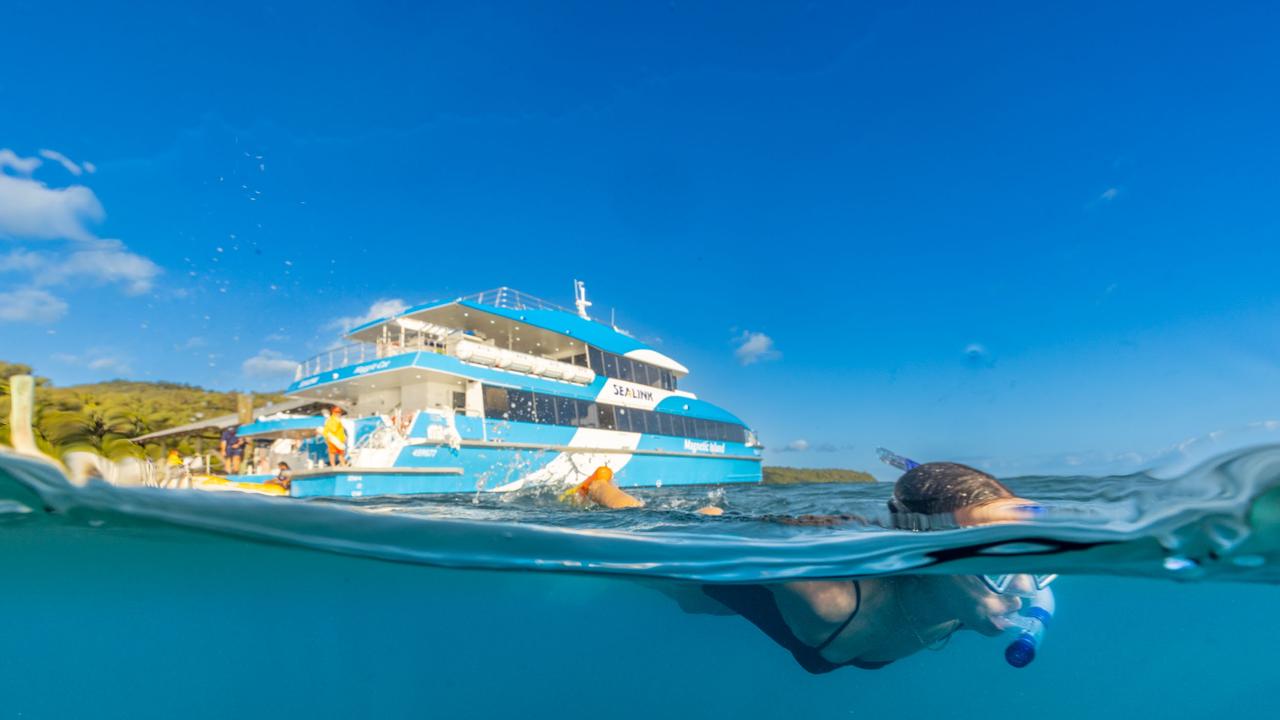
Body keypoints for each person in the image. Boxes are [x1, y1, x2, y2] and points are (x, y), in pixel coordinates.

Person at [582, 461, 1054, 672]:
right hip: (818, 617)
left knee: (695, 605)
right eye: (995, 559)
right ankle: (598, 488)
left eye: (1029, 555)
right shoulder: (824, 595)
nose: (1022, 587)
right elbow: (695, 536)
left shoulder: (974, 601)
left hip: (841, 635)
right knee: (688, 585)